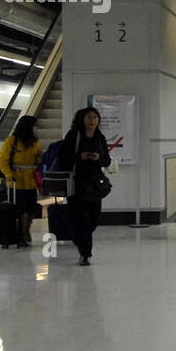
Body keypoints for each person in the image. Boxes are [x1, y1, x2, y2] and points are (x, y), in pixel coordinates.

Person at [57, 107, 112, 265]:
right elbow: (63, 157)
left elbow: (107, 160)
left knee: (93, 218)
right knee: (80, 218)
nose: (92, 120)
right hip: (76, 183)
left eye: (95, 117)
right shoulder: (74, 135)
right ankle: (85, 253)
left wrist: (98, 158)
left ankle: (79, 237)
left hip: (95, 185)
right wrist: (79, 157)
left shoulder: (99, 137)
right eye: (89, 117)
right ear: (82, 119)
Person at [0, 115, 43, 247]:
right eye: (35, 126)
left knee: (31, 208)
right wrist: (8, 174)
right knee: (18, 209)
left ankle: (26, 230)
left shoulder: (35, 142)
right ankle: (20, 234)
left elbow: (36, 161)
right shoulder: (12, 141)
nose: (36, 129)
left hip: (31, 181)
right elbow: (2, 160)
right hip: (16, 181)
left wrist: (40, 158)